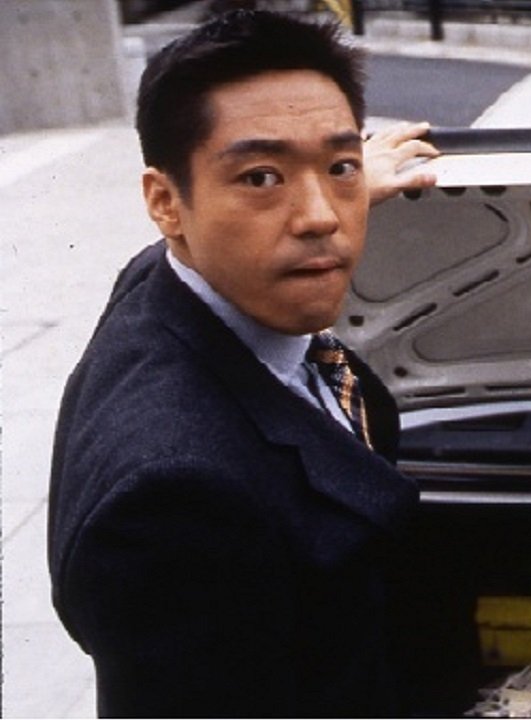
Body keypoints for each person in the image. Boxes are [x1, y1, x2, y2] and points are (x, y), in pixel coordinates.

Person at [47, 10, 439, 716]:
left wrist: (328, 176)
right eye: (261, 177)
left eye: (339, 166)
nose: (321, 217)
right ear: (166, 203)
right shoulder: (178, 501)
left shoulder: (165, 281)